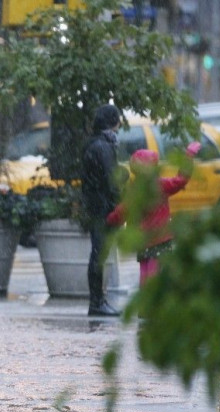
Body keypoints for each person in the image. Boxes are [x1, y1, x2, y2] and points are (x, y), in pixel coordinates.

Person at [106, 143, 198, 286]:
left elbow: (122, 211)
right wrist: (189, 157)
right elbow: (180, 180)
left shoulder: (135, 189)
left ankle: (145, 301)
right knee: (155, 272)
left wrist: (109, 220)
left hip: (143, 239)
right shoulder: (160, 185)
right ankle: (154, 303)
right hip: (160, 237)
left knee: (145, 270)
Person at [81, 104, 125, 316]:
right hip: (102, 209)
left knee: (99, 254)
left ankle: (97, 301)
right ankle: (97, 302)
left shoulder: (96, 144)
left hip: (96, 206)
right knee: (99, 254)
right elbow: (111, 180)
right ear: (113, 121)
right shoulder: (103, 146)